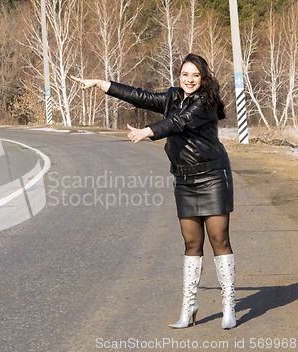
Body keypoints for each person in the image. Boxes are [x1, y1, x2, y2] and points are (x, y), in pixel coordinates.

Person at [70, 53, 236, 330]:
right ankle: (189, 306)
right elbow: (141, 97)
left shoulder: (206, 102)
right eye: (185, 74)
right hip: (184, 180)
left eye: (195, 75)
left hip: (212, 176)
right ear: (179, 76)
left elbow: (179, 122)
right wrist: (102, 84)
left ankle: (228, 306)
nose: (189, 80)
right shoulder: (173, 97)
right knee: (191, 244)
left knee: (219, 239)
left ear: (203, 77)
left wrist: (147, 131)